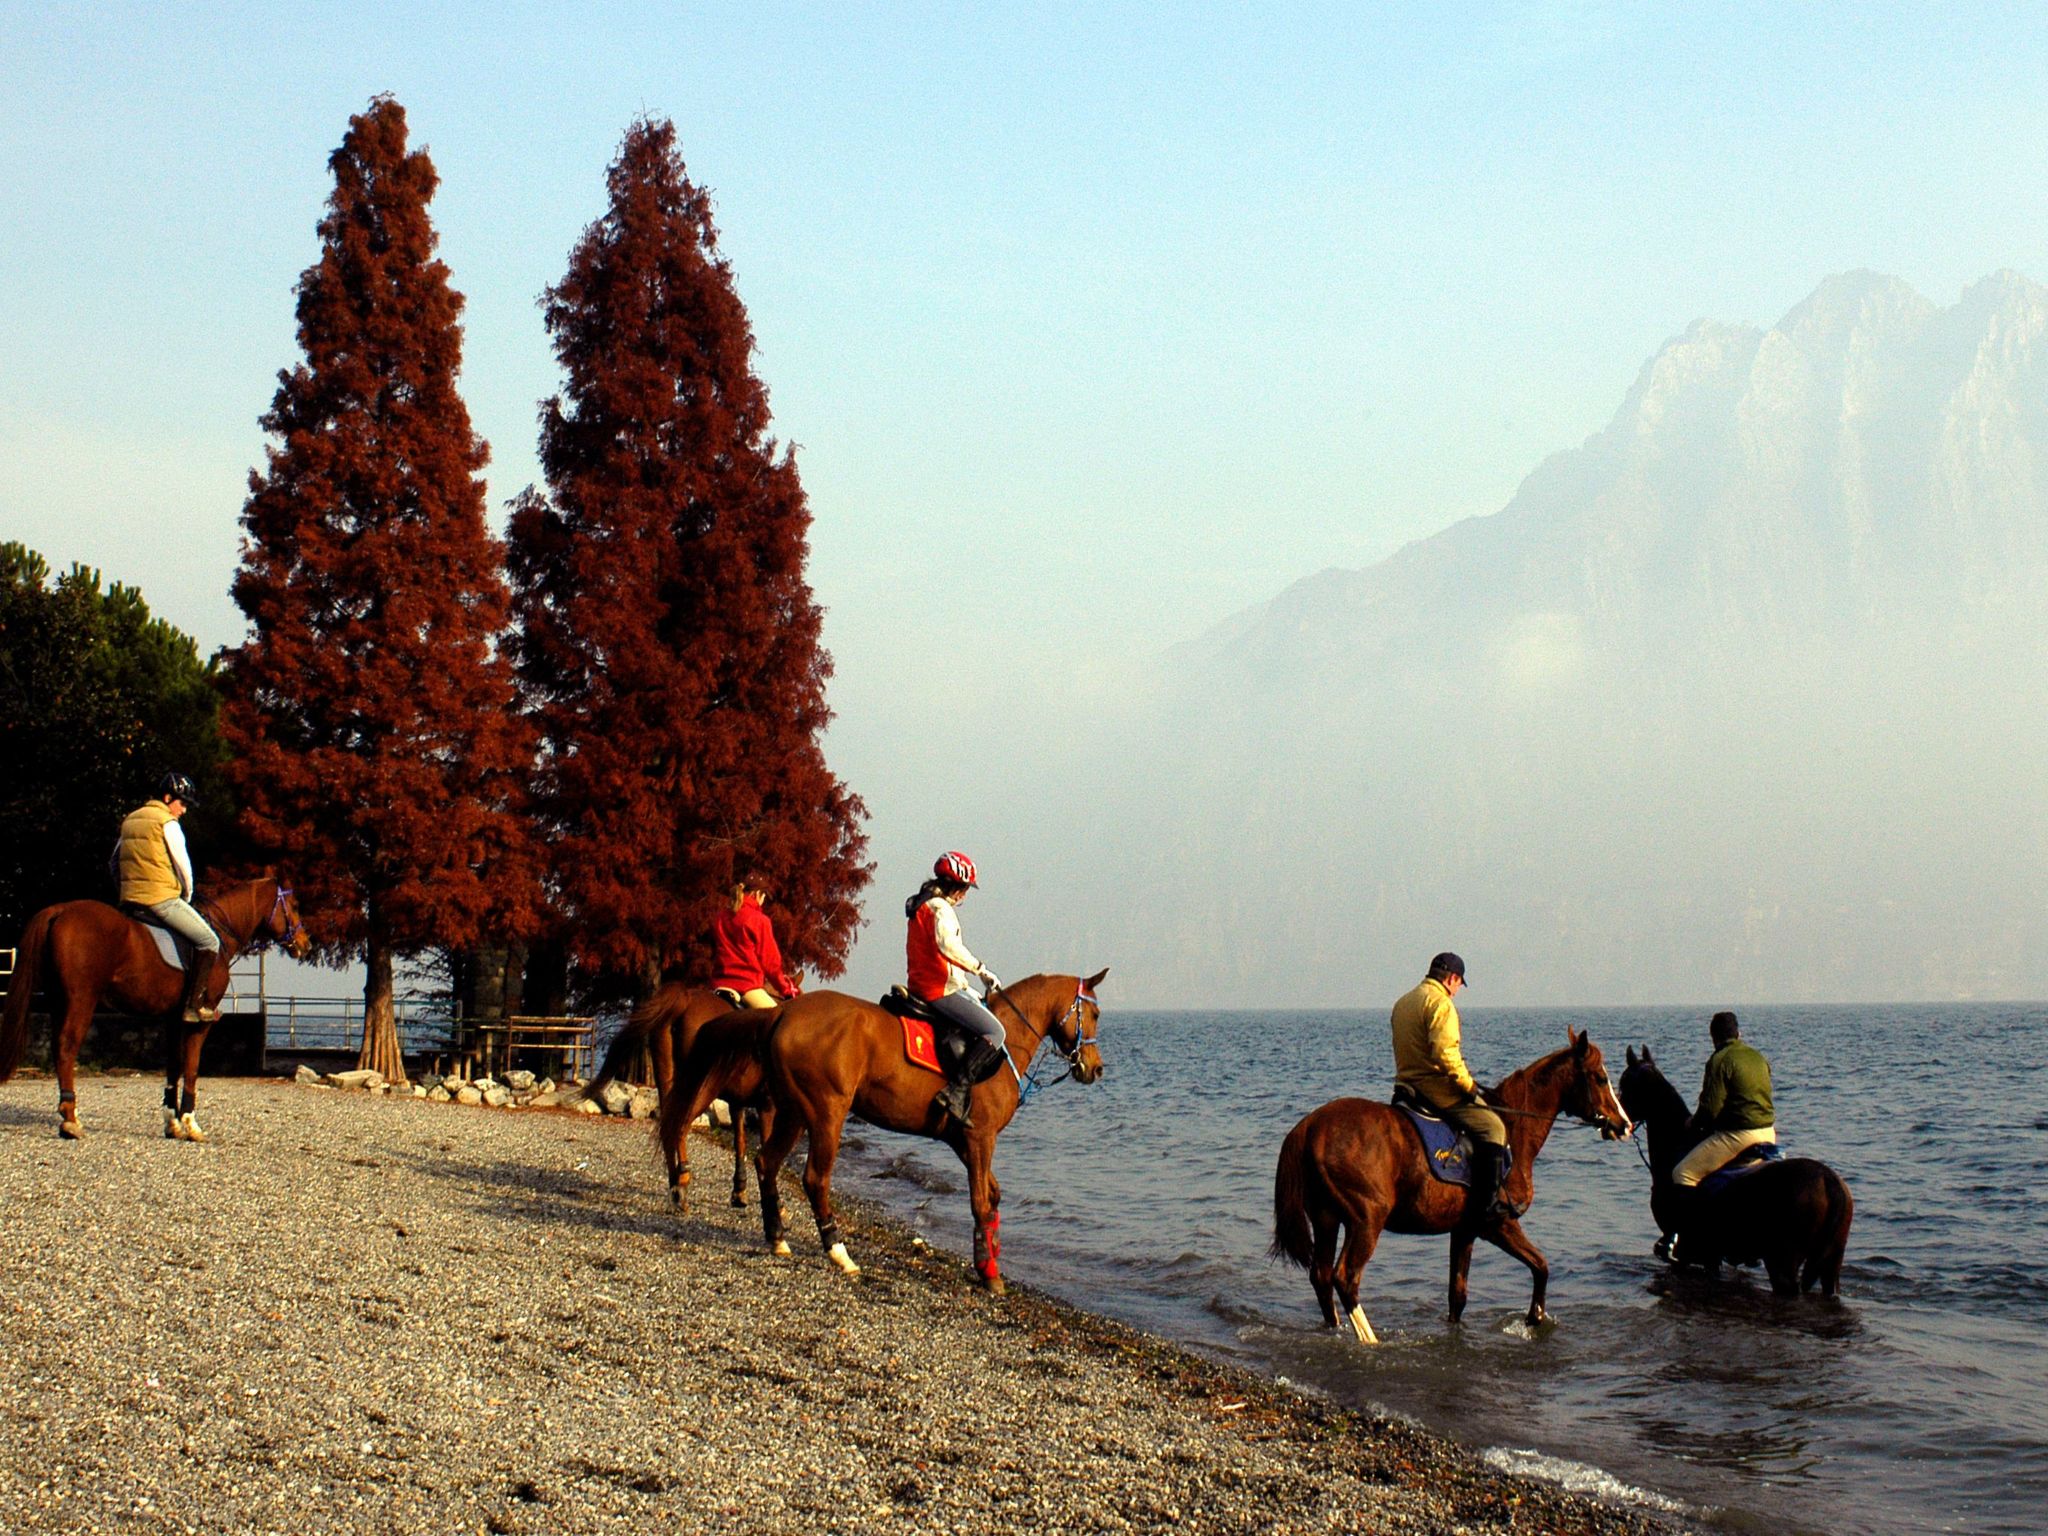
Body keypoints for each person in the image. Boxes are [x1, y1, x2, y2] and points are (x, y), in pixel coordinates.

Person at [1390, 951, 1510, 1227]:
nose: (1457, 992)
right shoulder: (1440, 1004)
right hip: (1435, 1090)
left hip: (1405, 1087)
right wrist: (1468, 1086)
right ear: (1452, 978)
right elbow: (1446, 1055)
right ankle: (1487, 1207)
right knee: (1495, 1128)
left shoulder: (1403, 1002)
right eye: (1458, 985)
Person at [1657, 1011, 1777, 1258]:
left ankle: (1684, 1241)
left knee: (1683, 1173)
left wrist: (1693, 1123)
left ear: (1713, 1038)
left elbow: (1710, 1110)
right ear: (1738, 1033)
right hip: (1768, 1132)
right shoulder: (1758, 1057)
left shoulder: (1719, 1060)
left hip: (1739, 1135)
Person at [109, 772, 221, 1024]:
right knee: (209, 941)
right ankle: (193, 1007)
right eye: (182, 803)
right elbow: (183, 867)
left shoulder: (130, 820)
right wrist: (187, 896)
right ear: (168, 797)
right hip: (161, 900)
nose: (183, 811)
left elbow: (113, 863)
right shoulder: (168, 823)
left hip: (130, 902)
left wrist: (124, 890)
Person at [905, 851, 1006, 1128]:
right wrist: (981, 970)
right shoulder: (941, 909)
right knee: (996, 1032)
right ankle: (957, 1092)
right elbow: (948, 947)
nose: (965, 896)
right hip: (937, 990)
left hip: (925, 983)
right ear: (957, 887)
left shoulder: (923, 905)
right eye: (965, 889)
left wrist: (970, 988)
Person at [710, 876, 800, 1008]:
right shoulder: (759, 920)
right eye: (764, 896)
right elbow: (770, 962)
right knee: (777, 1019)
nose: (763, 901)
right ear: (757, 894)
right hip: (747, 986)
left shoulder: (720, 917)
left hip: (718, 985)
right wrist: (786, 989)